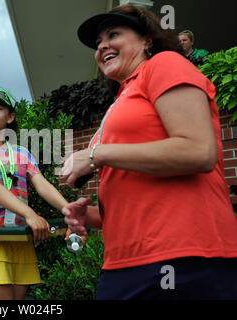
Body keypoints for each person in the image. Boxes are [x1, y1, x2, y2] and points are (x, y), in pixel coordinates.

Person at [62, 4, 237, 300]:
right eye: (97, 43)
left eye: (113, 34)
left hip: (182, 258)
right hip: (125, 264)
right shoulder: (124, 97)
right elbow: (142, 193)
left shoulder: (164, 63)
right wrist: (91, 215)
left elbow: (198, 151)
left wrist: (96, 155)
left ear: (147, 40)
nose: (102, 45)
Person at [0, 87, 70, 300]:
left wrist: (70, 212)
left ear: (10, 117)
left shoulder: (22, 152)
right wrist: (31, 214)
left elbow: (43, 184)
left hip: (19, 235)